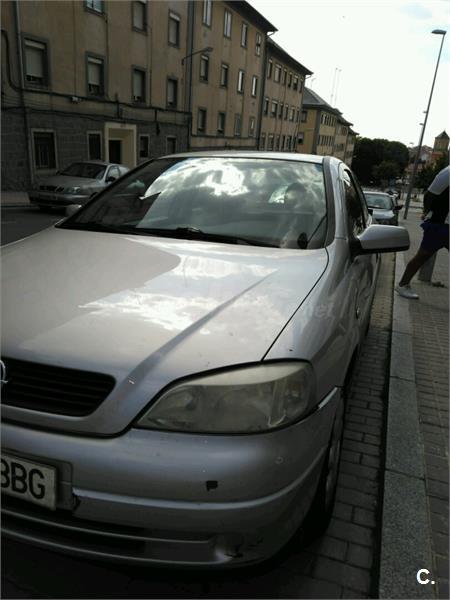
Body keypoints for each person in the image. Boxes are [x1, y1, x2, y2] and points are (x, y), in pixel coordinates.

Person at [396, 164, 449, 299]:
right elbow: (429, 194)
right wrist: (426, 211)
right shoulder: (447, 172)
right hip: (439, 224)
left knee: (422, 256)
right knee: (423, 255)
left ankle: (403, 284)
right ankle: (403, 285)